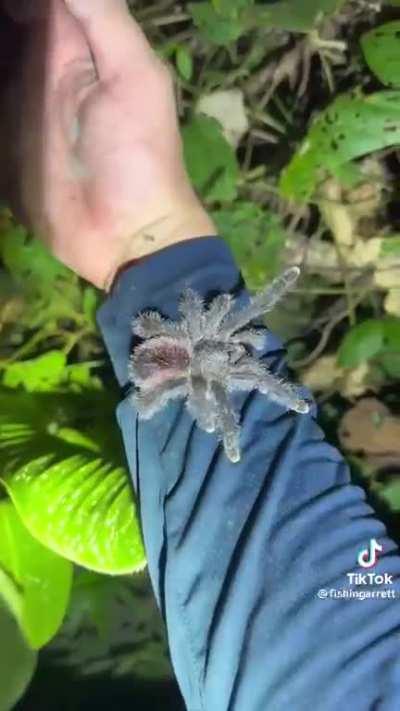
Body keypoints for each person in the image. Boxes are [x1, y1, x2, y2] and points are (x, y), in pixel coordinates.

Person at [1, 2, 400, 709]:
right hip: (186, 335)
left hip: (187, 349)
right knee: (220, 354)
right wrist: (148, 242)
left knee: (224, 364)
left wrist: (153, 246)